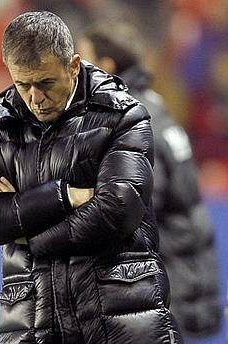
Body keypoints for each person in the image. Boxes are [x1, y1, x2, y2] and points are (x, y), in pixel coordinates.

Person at [0, 11, 183, 343]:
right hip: (33, 322)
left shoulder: (122, 115)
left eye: (45, 83)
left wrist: (30, 233)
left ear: (74, 65)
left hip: (120, 319)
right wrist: (64, 196)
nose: (35, 97)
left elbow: (117, 211)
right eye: (23, 85)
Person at [78, 23, 222, 340]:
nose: (75, 71)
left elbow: (135, 213)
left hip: (165, 292)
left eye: (83, 60)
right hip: (182, 283)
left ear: (106, 67)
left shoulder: (134, 122)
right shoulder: (153, 108)